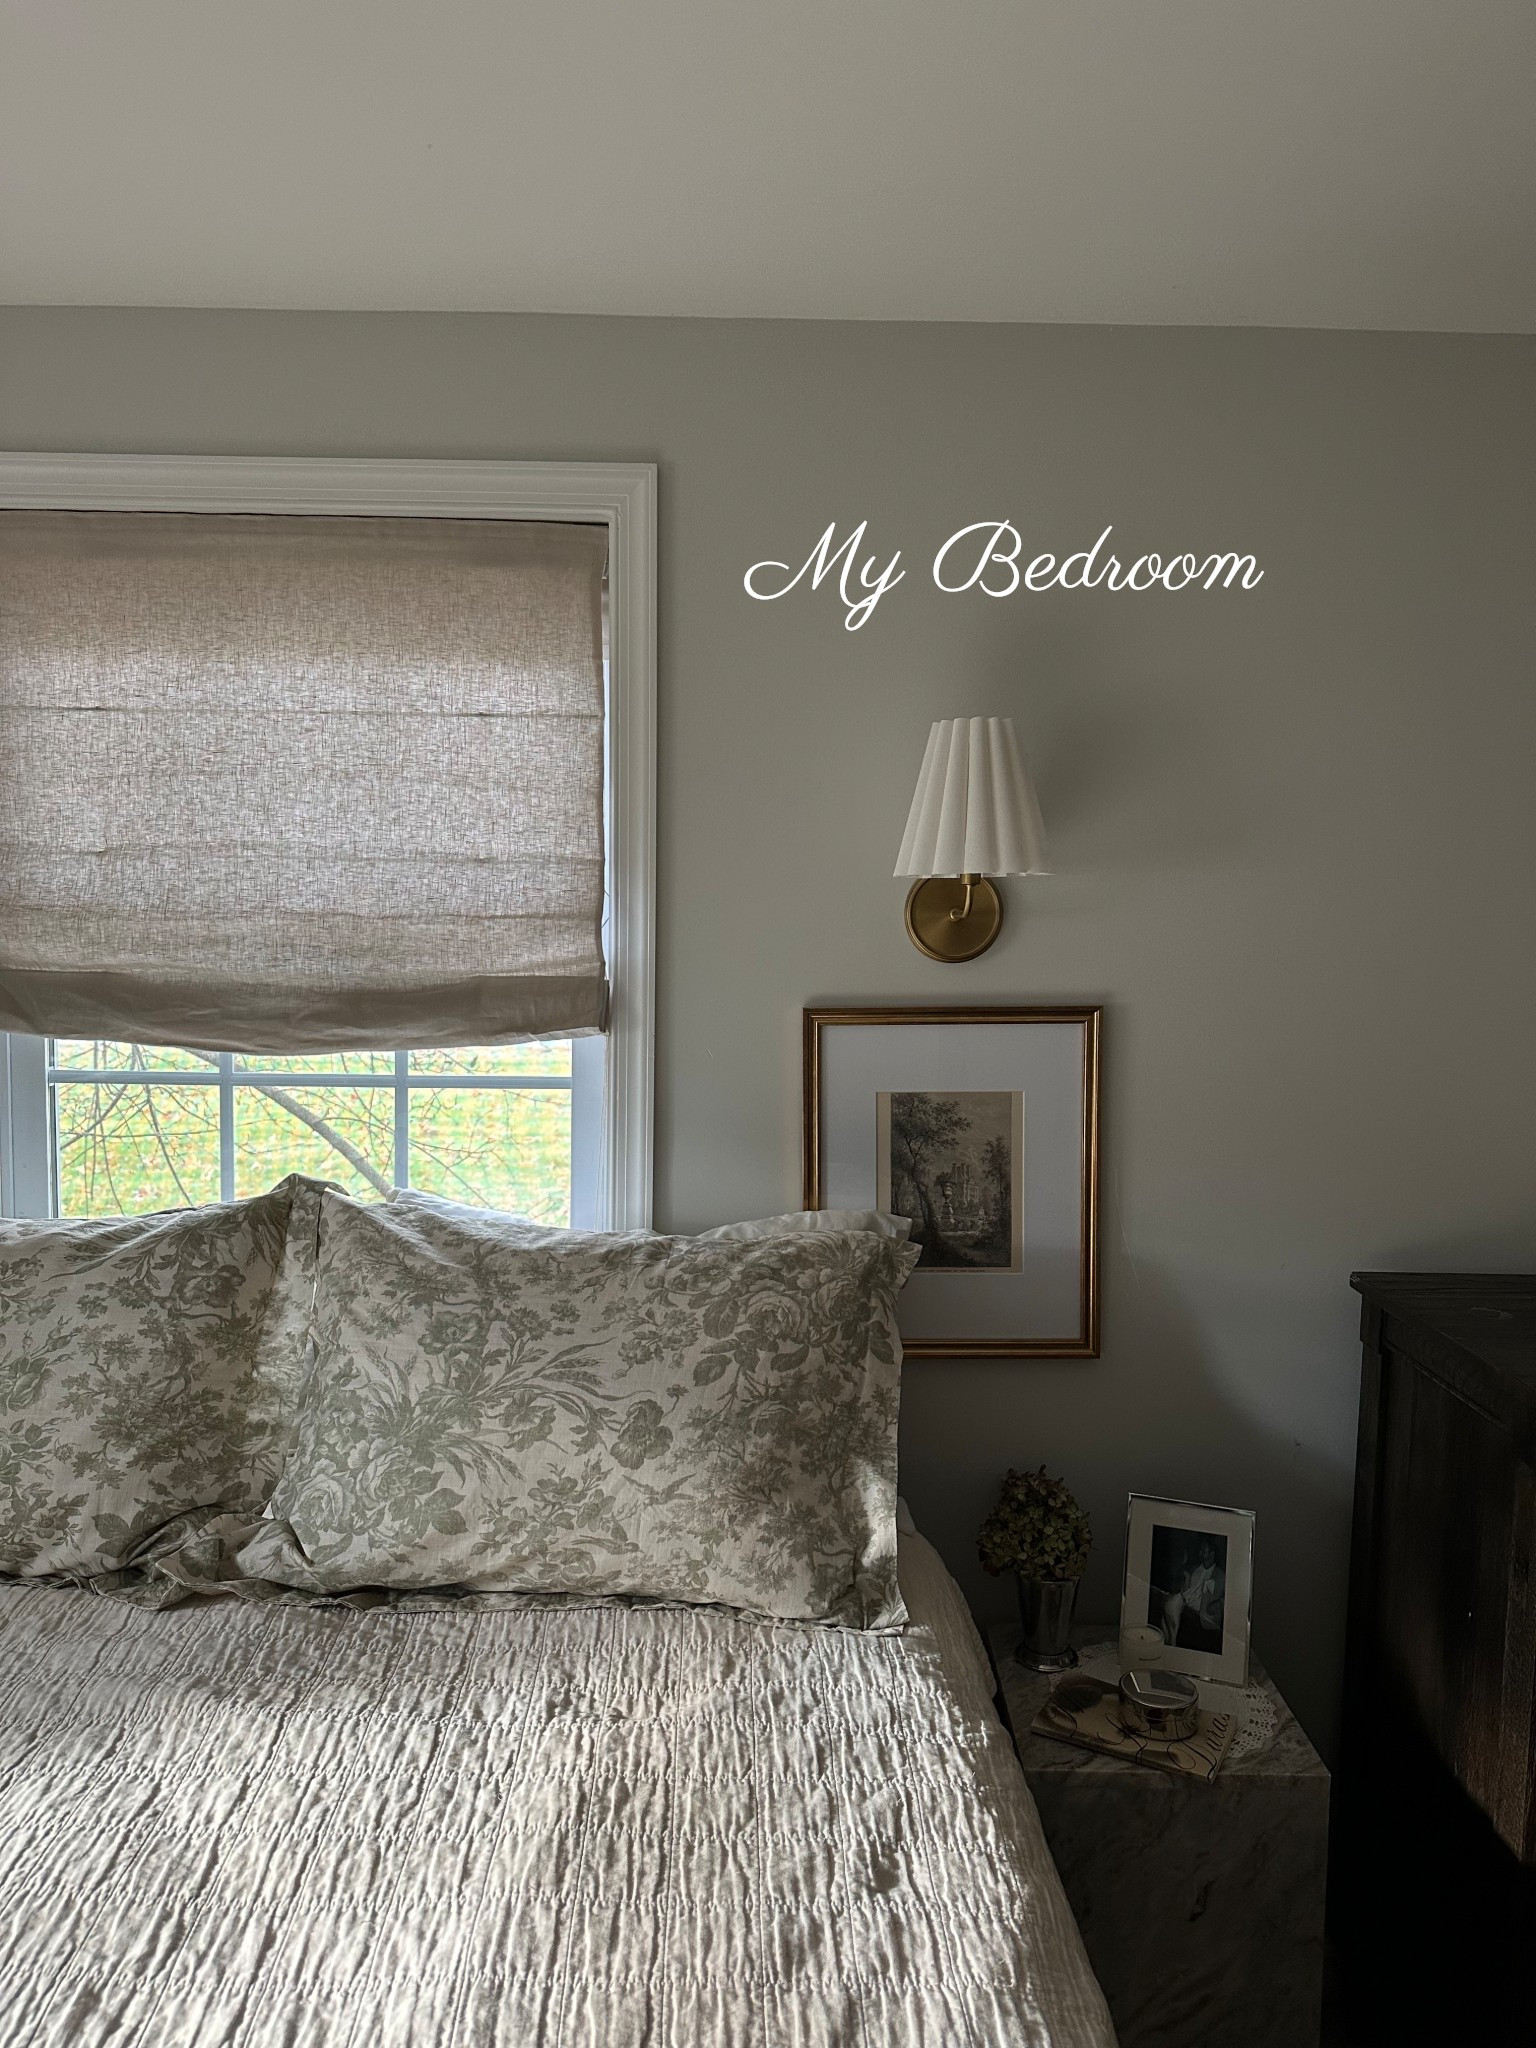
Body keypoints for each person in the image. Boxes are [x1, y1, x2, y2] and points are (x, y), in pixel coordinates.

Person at [1160, 1536, 1224, 1648]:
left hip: (1202, 1618)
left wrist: (1219, 1603)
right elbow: (1184, 1589)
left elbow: (1231, 1599)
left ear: (1212, 1554)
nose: (1200, 1553)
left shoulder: (1220, 1575)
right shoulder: (1194, 1568)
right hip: (1185, 1609)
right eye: (1201, 1550)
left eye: (1204, 1550)